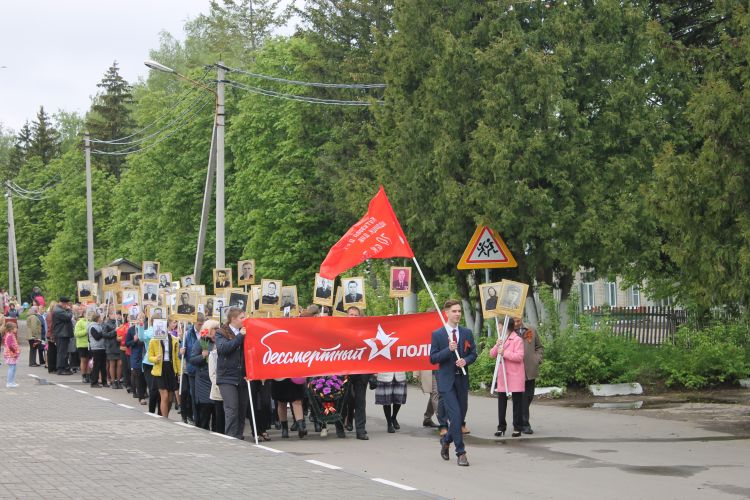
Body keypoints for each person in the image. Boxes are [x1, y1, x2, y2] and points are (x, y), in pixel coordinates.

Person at [430, 299, 477, 467]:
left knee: (460, 416)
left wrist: (466, 360)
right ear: (447, 313)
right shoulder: (438, 334)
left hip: (462, 379)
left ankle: (446, 440)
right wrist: (447, 350)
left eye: (459, 311)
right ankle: (461, 452)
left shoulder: (466, 332)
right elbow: (433, 358)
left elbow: (473, 353)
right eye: (454, 311)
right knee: (455, 416)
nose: (457, 314)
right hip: (446, 381)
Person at [215, 307, 249, 439]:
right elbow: (223, 348)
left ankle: (239, 436)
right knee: (232, 408)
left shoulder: (245, 332)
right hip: (227, 377)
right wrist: (240, 336)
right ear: (233, 319)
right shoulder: (221, 332)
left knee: (241, 409)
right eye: (241, 317)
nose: (244, 320)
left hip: (242, 376)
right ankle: (230, 437)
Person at [490, 320, 526, 437]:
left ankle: (517, 427)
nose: (498, 328)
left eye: (500, 326)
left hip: (515, 374)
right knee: (501, 401)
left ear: (506, 327)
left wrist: (505, 352)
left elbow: (519, 356)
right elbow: (492, 354)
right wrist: (497, 345)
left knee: (517, 402)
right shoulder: (501, 339)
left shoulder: (517, 339)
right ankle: (501, 427)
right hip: (503, 374)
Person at [342, 306, 370, 440]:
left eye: (355, 315)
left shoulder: (365, 332)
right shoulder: (341, 331)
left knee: (360, 401)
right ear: (347, 316)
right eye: (350, 314)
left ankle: (361, 430)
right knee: (344, 399)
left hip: (361, 371)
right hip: (345, 370)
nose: (353, 317)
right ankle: (340, 425)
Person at [189, 319, 220, 430]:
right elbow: (192, 359)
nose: (216, 331)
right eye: (214, 329)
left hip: (216, 380)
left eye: (217, 328)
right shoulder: (201, 342)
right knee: (205, 412)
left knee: (217, 412)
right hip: (203, 381)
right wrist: (202, 356)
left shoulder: (220, 341)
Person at [148, 319, 181, 418]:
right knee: (165, 396)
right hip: (160, 369)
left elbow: (176, 358)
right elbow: (149, 357)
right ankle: (165, 419)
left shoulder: (174, 340)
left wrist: (179, 371)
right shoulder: (154, 340)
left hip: (171, 368)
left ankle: (165, 414)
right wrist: (155, 358)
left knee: (170, 398)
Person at [516, 317, 543, 435]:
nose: (516, 323)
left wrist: (537, 359)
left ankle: (519, 420)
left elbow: (539, 347)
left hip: (530, 369)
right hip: (516, 370)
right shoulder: (509, 331)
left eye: (518, 320)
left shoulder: (531, 329)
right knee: (522, 397)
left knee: (529, 396)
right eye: (514, 321)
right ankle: (524, 424)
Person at [183, 314, 205, 425]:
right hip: (192, 369)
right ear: (194, 323)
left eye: (202, 324)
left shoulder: (205, 333)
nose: (201, 326)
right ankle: (196, 418)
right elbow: (182, 353)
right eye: (199, 324)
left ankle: (202, 418)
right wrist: (181, 352)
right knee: (194, 394)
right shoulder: (188, 334)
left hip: (203, 368)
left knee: (203, 395)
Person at [126, 313, 148, 405]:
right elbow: (127, 343)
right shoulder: (131, 330)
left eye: (142, 318)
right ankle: (141, 397)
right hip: (136, 355)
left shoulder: (146, 329)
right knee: (138, 376)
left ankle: (143, 391)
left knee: (144, 376)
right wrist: (134, 340)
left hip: (145, 355)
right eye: (139, 318)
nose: (141, 319)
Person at [52, 297, 74, 375]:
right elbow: (68, 317)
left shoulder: (59, 309)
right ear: (63, 303)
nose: (67, 306)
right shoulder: (58, 311)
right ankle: (61, 368)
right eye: (67, 304)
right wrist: (69, 310)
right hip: (61, 334)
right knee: (62, 352)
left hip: (63, 333)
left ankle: (64, 367)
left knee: (63, 352)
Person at [102, 310, 122, 388]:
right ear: (109, 315)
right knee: (112, 364)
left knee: (120, 364)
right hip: (111, 346)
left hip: (119, 345)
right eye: (113, 313)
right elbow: (104, 335)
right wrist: (115, 331)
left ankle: (118, 380)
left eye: (116, 313)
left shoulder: (119, 322)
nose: (115, 315)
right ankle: (113, 381)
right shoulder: (106, 324)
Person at [88, 312, 108, 388]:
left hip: (102, 347)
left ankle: (104, 381)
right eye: (100, 317)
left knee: (103, 366)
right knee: (96, 366)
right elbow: (96, 337)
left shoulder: (99, 326)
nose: (101, 319)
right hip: (96, 348)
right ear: (97, 318)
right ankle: (94, 382)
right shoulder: (92, 326)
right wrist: (103, 332)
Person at [73, 308, 90, 383]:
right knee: (84, 360)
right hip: (82, 345)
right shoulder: (80, 322)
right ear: (84, 314)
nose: (89, 315)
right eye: (88, 314)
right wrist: (86, 331)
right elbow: (76, 334)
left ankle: (89, 375)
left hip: (90, 344)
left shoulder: (91, 322)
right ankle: (84, 375)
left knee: (89, 361)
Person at [4, 322, 20, 388]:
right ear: (11, 329)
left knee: (13, 368)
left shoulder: (11, 334)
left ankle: (12, 381)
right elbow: (9, 345)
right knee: (11, 368)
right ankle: (9, 382)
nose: (16, 329)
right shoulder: (10, 335)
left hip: (12, 354)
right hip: (11, 354)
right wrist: (15, 352)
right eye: (15, 328)